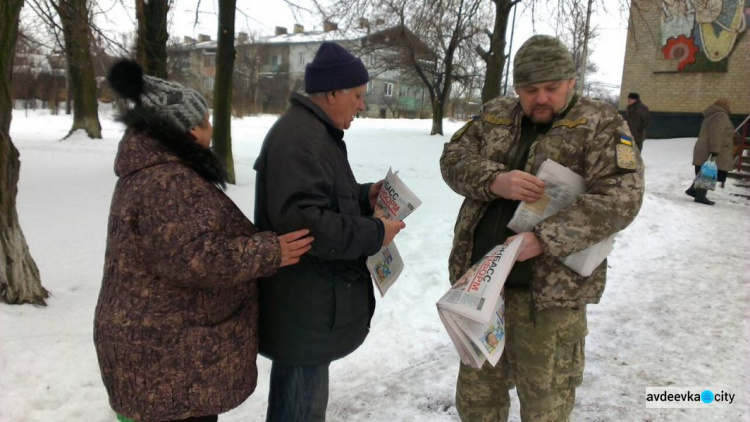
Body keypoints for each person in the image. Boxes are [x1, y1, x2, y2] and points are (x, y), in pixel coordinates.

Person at [94, 60, 314, 422]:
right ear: (191, 130)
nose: (212, 128)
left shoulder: (155, 173)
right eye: (207, 120)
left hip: (160, 348)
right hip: (167, 356)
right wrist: (269, 251)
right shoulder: (167, 182)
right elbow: (194, 259)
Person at [440, 35, 645, 421]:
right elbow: (453, 157)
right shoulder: (495, 114)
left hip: (548, 302)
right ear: (517, 88)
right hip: (483, 292)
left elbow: (622, 197)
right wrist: (494, 180)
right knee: (477, 403)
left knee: (544, 408)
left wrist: (544, 239)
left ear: (571, 82)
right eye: (530, 90)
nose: (541, 99)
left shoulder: (599, 123)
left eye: (552, 88)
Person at [253, 41, 406, 421]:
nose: (361, 105)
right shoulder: (301, 139)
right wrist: (374, 233)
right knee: (299, 410)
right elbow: (306, 225)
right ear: (332, 92)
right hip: (304, 303)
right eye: (356, 95)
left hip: (311, 303)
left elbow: (318, 198)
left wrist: (360, 194)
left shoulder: (314, 133)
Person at [685, 98, 735, 205]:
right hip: (711, 149)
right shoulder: (720, 115)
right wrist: (715, 149)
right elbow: (716, 133)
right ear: (724, 105)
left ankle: (693, 190)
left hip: (705, 148)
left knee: (705, 170)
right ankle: (701, 196)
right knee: (709, 171)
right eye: (729, 104)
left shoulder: (713, 114)